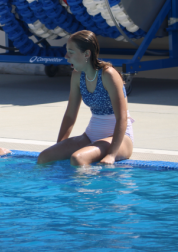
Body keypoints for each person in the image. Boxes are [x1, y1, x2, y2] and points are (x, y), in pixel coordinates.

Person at [37, 30, 134, 166]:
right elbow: (70, 115)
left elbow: (122, 117)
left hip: (119, 139)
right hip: (90, 136)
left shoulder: (108, 75)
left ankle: (88, 188)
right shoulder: (77, 75)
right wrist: (59, 146)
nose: (66, 56)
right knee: (45, 157)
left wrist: (111, 154)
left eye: (71, 52)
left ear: (87, 54)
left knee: (78, 158)